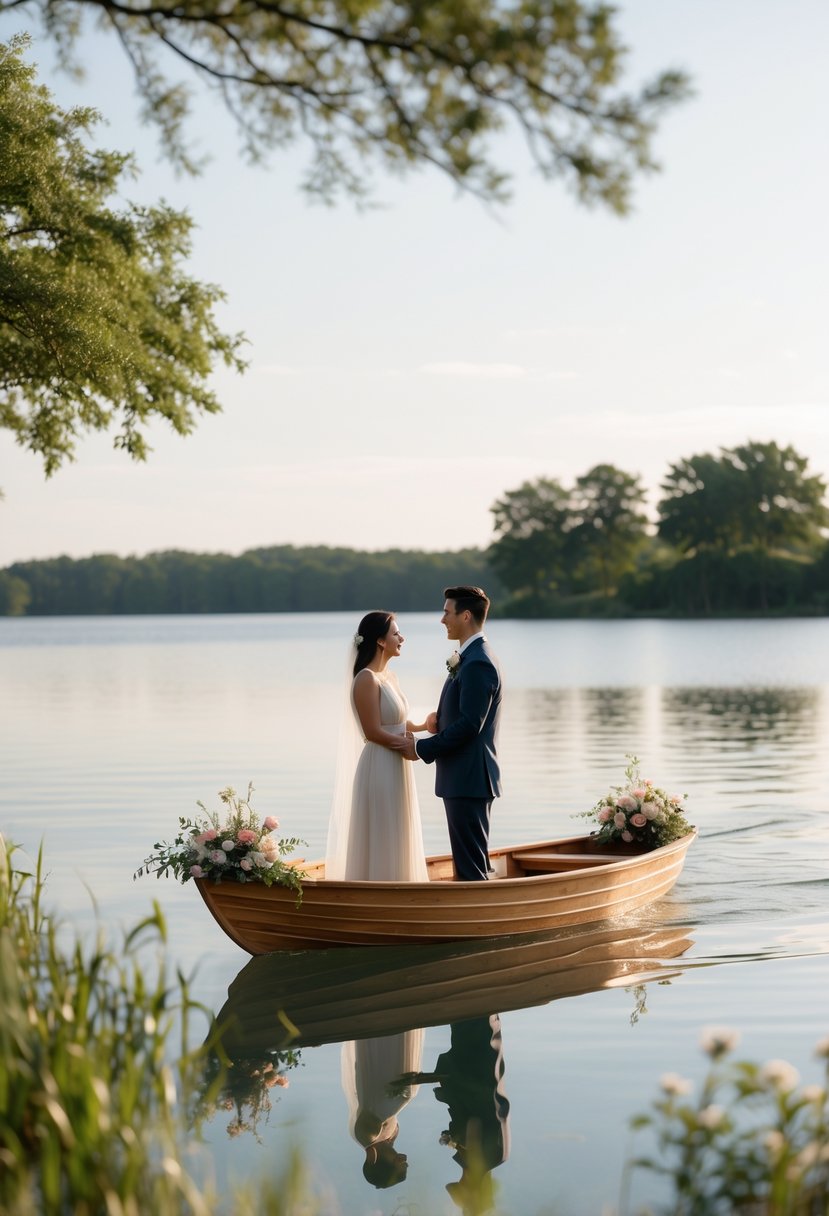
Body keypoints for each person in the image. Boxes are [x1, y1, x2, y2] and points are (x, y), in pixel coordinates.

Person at [403, 586, 502, 882]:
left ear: (466, 615)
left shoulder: (478, 662)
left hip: (469, 779)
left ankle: (480, 927)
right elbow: (464, 717)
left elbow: (472, 724)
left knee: (471, 871)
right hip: (466, 778)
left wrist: (423, 747)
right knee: (472, 865)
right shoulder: (470, 657)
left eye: (447, 612)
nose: (442, 619)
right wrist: (439, 720)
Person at [326, 611, 430, 881]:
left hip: (396, 763)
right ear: (381, 641)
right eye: (396, 633)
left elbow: (395, 722)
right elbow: (373, 732)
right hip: (380, 765)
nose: (401, 638)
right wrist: (413, 748)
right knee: (385, 830)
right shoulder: (366, 679)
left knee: (400, 829)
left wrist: (422, 726)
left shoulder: (388, 677)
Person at [341, 1029, 424, 1190]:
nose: (402, 1158)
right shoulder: (389, 1138)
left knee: (388, 1039)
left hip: (381, 1074)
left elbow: (380, 1104)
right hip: (399, 1076)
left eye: (398, 1162)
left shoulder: (367, 1135)